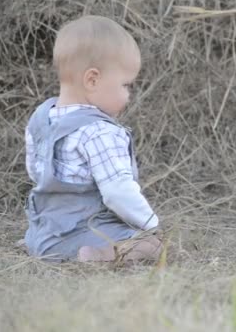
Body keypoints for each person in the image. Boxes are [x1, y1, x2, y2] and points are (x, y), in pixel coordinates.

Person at [22, 15, 162, 264]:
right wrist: (150, 223)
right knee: (153, 247)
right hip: (83, 233)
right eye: (125, 85)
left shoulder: (41, 118)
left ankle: (41, 248)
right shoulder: (99, 131)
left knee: (49, 237)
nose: (129, 95)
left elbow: (36, 174)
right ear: (93, 80)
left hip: (42, 231)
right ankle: (97, 255)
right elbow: (118, 193)